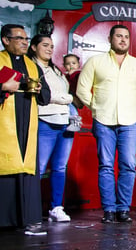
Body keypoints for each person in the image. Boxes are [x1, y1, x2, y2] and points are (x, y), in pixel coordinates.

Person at [76, 24, 136, 223]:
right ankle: (109, 210)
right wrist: (97, 108)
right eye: (119, 36)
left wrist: (134, 108)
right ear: (110, 39)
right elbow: (82, 90)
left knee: (128, 165)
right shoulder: (95, 61)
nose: (123, 39)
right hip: (103, 121)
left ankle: (123, 209)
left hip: (129, 122)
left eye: (126, 36)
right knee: (106, 166)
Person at [0, 24, 51, 235]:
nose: (24, 42)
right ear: (5, 40)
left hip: (27, 125)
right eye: (18, 38)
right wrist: (2, 87)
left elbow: (45, 95)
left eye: (25, 38)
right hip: (4, 124)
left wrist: (39, 89)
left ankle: (29, 219)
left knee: (27, 168)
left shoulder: (32, 65)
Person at [27, 35, 76, 222]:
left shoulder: (56, 69)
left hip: (64, 121)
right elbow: (47, 96)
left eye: (52, 46)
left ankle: (56, 207)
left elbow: (63, 93)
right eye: (45, 45)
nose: (49, 49)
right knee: (38, 167)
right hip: (45, 120)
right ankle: (31, 208)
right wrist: (67, 98)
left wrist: (67, 100)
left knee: (60, 167)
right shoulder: (31, 67)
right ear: (34, 47)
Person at [62, 53, 83, 132]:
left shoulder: (79, 74)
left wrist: (72, 74)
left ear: (78, 64)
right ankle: (71, 119)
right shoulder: (64, 76)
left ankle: (75, 120)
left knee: (71, 105)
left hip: (76, 96)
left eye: (74, 63)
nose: (71, 65)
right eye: (68, 64)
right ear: (64, 66)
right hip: (68, 96)